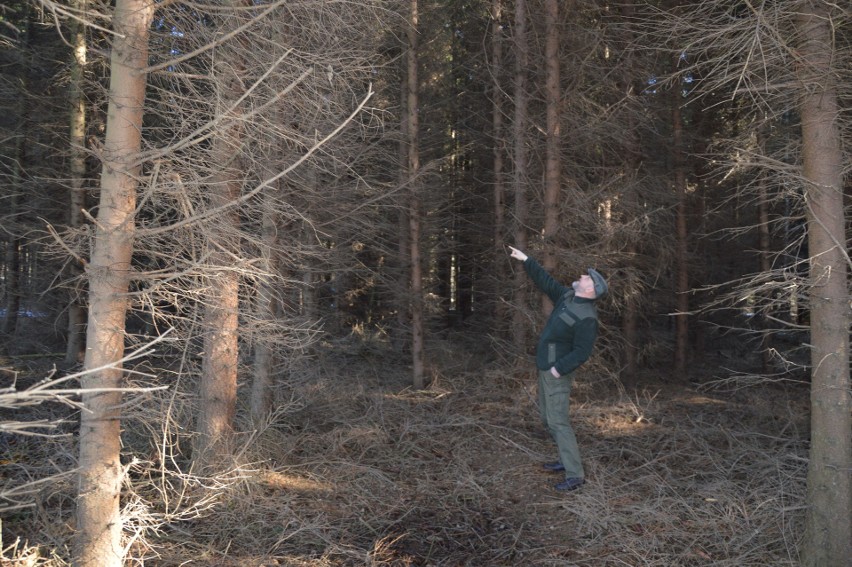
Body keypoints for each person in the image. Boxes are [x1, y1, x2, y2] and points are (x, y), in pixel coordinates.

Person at [508, 245, 608, 492]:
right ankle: (564, 461)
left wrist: (557, 370)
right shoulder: (567, 296)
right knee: (547, 417)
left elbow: (582, 352)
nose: (582, 276)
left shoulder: (587, 317)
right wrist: (526, 259)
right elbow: (546, 282)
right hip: (546, 365)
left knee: (558, 421)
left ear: (591, 289)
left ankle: (575, 475)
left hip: (556, 372)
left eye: (586, 277)